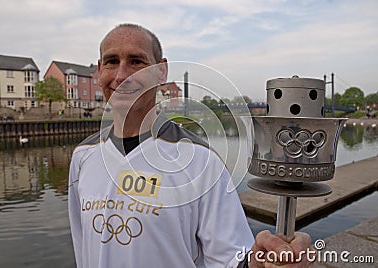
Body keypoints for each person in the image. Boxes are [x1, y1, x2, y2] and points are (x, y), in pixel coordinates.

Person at [68, 23, 313, 267]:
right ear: (100, 71)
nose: (122, 75)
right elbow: (82, 247)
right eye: (112, 61)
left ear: (161, 71)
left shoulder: (201, 161)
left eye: (136, 62)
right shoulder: (82, 157)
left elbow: (231, 259)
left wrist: (259, 263)